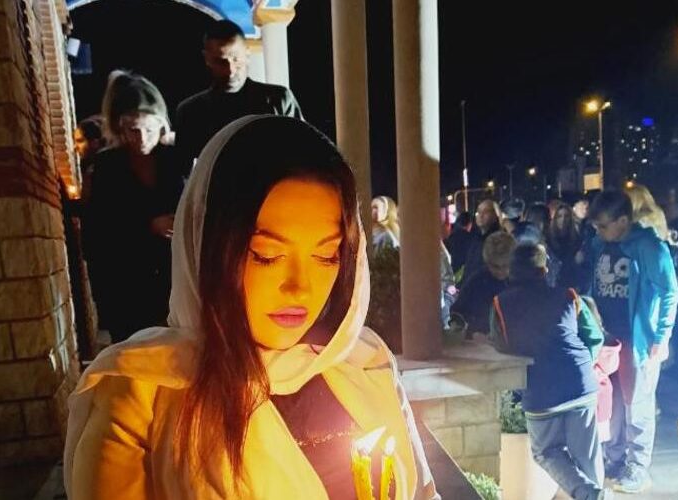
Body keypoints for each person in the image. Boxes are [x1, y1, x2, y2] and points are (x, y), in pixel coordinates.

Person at [64, 116, 439, 499]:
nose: (299, 287)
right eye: (267, 256)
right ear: (209, 247)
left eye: (326, 256)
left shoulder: (364, 362)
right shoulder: (143, 393)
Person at [489, 244, 610, 500]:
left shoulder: (500, 304)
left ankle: (591, 495)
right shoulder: (569, 296)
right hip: (580, 384)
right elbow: (595, 337)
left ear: (511, 272)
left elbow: (501, 344)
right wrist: (580, 365)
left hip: (540, 390)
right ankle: (593, 494)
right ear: (544, 270)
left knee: (546, 452)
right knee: (587, 457)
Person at [587, 191, 678, 493]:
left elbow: (669, 293)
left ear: (623, 221)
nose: (598, 231)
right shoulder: (601, 244)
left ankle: (637, 465)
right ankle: (614, 458)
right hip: (608, 337)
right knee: (612, 400)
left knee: (637, 403)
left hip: (637, 338)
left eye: (603, 225)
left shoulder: (649, 247)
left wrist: (661, 337)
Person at [83, 70, 184, 343]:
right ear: (120, 127)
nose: (142, 138)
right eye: (133, 130)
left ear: (161, 125)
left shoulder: (176, 160)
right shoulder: (106, 167)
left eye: (149, 130)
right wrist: (148, 226)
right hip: (126, 284)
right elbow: (96, 234)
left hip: (174, 281)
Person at [175, 20, 303, 171]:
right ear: (207, 59)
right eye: (220, 61)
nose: (230, 70)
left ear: (247, 53)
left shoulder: (278, 100)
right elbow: (184, 171)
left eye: (236, 58)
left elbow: (303, 150)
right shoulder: (191, 112)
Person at [451, 232, 515, 336]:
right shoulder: (477, 281)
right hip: (479, 338)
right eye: (495, 266)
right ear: (487, 262)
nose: (501, 271)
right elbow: (458, 313)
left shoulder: (521, 282)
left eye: (505, 265)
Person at [462, 199, 503, 282]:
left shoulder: (499, 240)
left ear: (495, 215)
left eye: (486, 212)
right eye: (479, 212)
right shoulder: (475, 238)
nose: (481, 215)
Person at [549, 203, 583, 289]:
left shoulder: (577, 239)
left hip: (570, 283)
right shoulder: (549, 239)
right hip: (553, 284)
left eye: (566, 216)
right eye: (560, 216)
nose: (563, 219)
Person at [73, 115, 106, 203]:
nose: (75, 147)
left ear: (95, 142)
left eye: (80, 141)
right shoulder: (92, 168)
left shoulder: (97, 171)